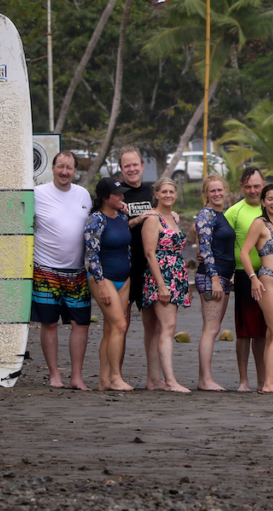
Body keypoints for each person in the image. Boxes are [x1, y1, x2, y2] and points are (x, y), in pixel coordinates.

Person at [31, 151, 93, 390]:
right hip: (45, 269)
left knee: (81, 324)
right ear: (53, 168)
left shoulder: (83, 194)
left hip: (77, 271)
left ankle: (76, 376)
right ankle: (54, 374)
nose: (64, 171)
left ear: (75, 171)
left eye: (69, 167)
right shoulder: (38, 193)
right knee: (50, 323)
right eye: (60, 167)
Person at [240, 184, 273, 394]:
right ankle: (269, 383)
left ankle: (265, 381)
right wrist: (253, 278)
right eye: (269, 198)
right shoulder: (258, 223)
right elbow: (245, 253)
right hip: (268, 279)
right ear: (262, 202)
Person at [117, 147, 164, 389]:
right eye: (127, 166)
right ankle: (116, 375)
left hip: (149, 266)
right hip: (124, 265)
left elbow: (163, 216)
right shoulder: (116, 194)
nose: (132, 169)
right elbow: (110, 225)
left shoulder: (151, 192)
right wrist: (136, 220)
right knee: (120, 325)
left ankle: (153, 378)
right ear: (121, 169)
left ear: (142, 166)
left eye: (135, 165)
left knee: (152, 325)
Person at [140, 178, 192, 393]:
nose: (168, 195)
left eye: (172, 191)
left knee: (157, 329)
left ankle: (154, 379)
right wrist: (161, 285)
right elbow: (150, 253)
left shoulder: (173, 217)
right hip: (162, 275)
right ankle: (170, 381)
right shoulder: (154, 218)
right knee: (168, 328)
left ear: (176, 194)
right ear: (157, 194)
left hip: (176, 274)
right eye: (164, 191)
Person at [84, 177, 132, 391]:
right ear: (105, 198)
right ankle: (115, 377)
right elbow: (91, 254)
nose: (122, 197)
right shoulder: (96, 219)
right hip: (103, 279)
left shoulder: (121, 217)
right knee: (120, 325)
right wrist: (101, 283)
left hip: (124, 278)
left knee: (111, 329)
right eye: (117, 194)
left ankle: (103, 380)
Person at [225, 167, 267, 391]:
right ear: (241, 187)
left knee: (262, 332)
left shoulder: (270, 208)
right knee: (244, 332)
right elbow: (220, 241)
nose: (253, 191)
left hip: (269, 276)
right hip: (244, 275)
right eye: (248, 186)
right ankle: (243, 380)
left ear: (263, 185)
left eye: (257, 186)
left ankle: (263, 380)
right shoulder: (233, 212)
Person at [194, 174, 235, 391]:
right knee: (210, 328)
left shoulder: (222, 215)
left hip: (223, 276)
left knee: (214, 327)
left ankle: (205, 378)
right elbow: (205, 249)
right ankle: (205, 379)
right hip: (212, 276)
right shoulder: (206, 215)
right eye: (213, 191)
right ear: (206, 193)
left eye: (220, 190)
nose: (217, 194)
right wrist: (215, 278)